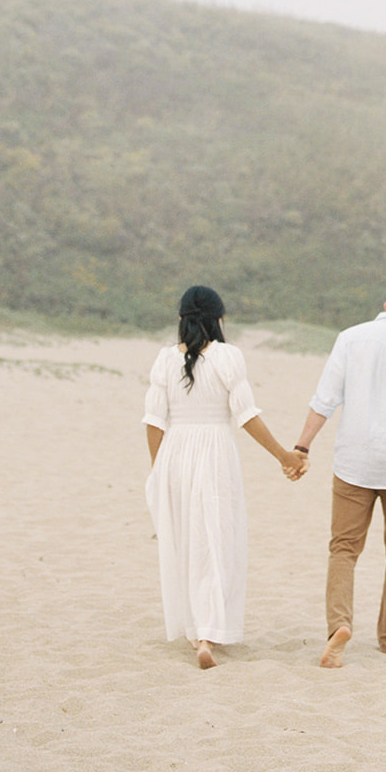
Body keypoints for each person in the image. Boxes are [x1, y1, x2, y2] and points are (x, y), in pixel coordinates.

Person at [143, 285, 307, 670]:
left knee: (186, 541)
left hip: (174, 455)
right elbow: (245, 415)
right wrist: (284, 455)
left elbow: (153, 421)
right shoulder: (227, 357)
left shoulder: (165, 360)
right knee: (216, 539)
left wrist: (158, 470)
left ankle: (195, 629)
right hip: (215, 452)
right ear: (219, 319)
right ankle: (207, 635)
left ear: (182, 320)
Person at [293, 277, 386, 668]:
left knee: (343, 549)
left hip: (352, 461)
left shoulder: (350, 337)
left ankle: (338, 626)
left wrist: (302, 446)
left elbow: (324, 400)